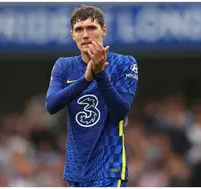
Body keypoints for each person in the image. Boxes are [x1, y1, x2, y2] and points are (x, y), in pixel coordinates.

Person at [45, 5, 138, 187]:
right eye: (79, 29)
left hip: (110, 167)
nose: (85, 35)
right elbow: (51, 105)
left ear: (103, 30)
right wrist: (86, 79)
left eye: (91, 28)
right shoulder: (64, 66)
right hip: (76, 170)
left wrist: (100, 74)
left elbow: (120, 112)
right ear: (72, 34)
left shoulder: (124, 63)